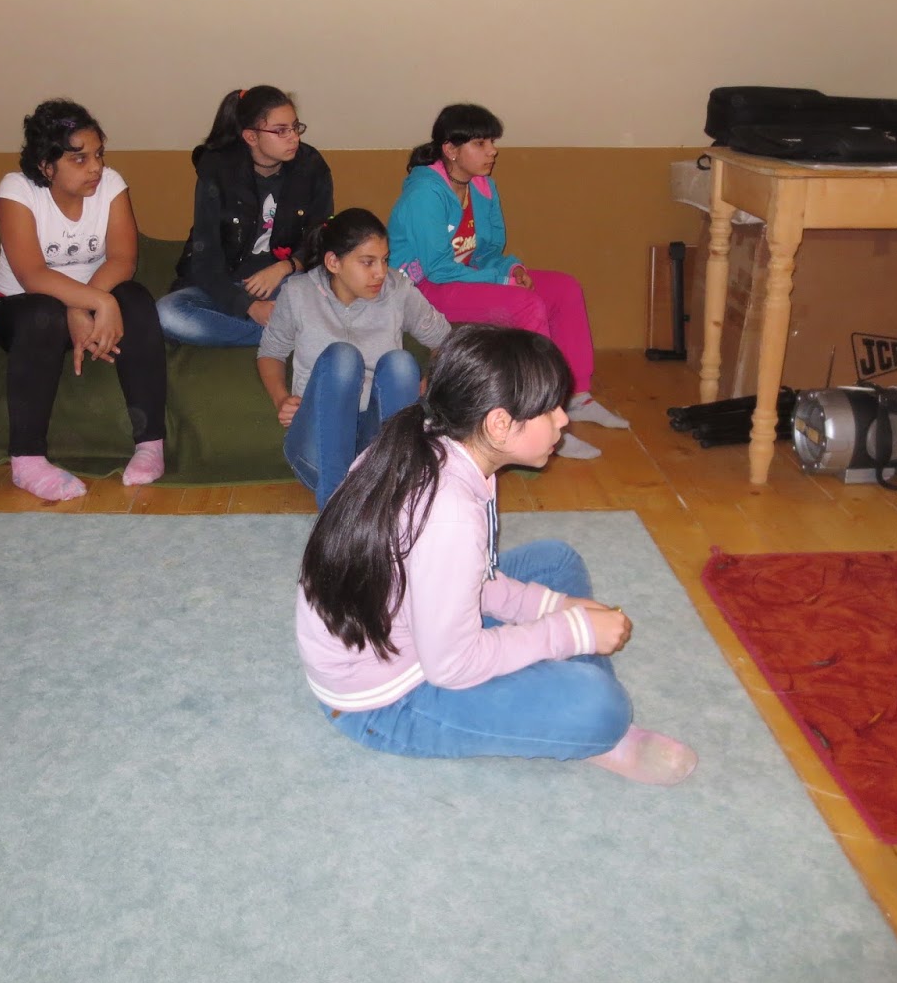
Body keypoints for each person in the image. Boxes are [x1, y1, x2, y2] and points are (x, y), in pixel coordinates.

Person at [295, 324, 697, 784]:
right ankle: (588, 727)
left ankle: (554, 696)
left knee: (556, 562)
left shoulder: (441, 444)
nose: (563, 420)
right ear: (499, 424)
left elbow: (471, 577)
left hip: (413, 623)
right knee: (603, 708)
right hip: (384, 700)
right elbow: (452, 665)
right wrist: (568, 632)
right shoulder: (448, 514)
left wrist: (554, 607)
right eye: (549, 409)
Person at [387, 103, 628, 460]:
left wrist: (511, 269)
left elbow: (488, 251)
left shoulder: (482, 187)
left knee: (564, 289)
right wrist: (501, 279)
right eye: (480, 144)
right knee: (526, 305)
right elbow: (437, 269)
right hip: (423, 290)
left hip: (465, 278)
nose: (492, 151)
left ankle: (577, 396)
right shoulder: (425, 193)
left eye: (492, 142)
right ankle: (539, 416)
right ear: (450, 150)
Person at [0, 99, 167, 500]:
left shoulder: (111, 185)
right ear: (46, 166)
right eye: (79, 158)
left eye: (99, 154)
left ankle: (150, 445)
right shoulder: (16, 191)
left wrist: (85, 304)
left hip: (90, 299)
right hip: (23, 307)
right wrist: (95, 303)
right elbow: (32, 275)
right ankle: (27, 460)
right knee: (43, 314)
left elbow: (123, 258)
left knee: (135, 299)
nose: (95, 168)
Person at [258, 208, 450, 510]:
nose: (380, 273)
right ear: (333, 262)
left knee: (402, 364)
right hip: (317, 445)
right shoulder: (298, 293)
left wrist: (430, 384)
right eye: (368, 262)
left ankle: (393, 492)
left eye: (384, 260)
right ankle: (334, 508)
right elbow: (271, 353)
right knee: (343, 358)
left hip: (374, 446)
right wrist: (281, 398)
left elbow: (446, 341)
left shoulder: (397, 290)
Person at [158, 85, 333, 346]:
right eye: (281, 131)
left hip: (285, 282)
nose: (294, 138)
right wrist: (249, 306)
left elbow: (321, 238)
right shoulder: (218, 171)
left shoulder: (311, 167)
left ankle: (287, 327)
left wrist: (285, 267)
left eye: (296, 127)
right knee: (167, 313)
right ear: (251, 137)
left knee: (332, 296)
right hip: (225, 285)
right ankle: (285, 334)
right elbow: (206, 261)